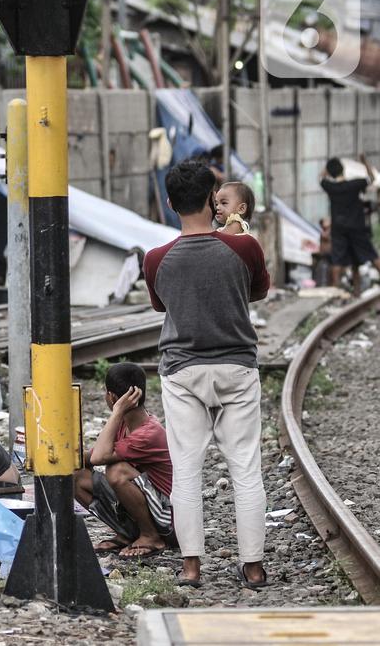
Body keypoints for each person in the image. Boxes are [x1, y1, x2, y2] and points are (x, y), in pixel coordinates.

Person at [143, 159, 270, 590]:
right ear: (212, 200)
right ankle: (253, 568)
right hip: (237, 368)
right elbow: (257, 291)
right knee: (245, 468)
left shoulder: (156, 259)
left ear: (169, 203)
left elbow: (161, 305)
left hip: (182, 372)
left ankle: (191, 568)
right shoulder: (245, 248)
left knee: (186, 470)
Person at [73, 363, 176, 560]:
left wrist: (116, 412)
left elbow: (98, 457)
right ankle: (127, 534)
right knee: (76, 476)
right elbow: (91, 457)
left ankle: (150, 537)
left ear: (111, 397)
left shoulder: (148, 433)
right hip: (152, 509)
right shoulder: (123, 424)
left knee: (117, 471)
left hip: (170, 520)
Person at [320, 155, 380, 296]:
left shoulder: (330, 187)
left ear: (330, 172)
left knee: (338, 259)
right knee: (371, 255)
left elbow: (321, 178)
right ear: (343, 169)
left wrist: (327, 169)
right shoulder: (355, 184)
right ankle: (356, 291)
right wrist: (365, 162)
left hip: (339, 228)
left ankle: (336, 291)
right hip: (357, 227)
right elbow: (371, 178)